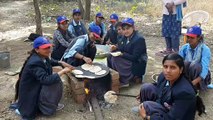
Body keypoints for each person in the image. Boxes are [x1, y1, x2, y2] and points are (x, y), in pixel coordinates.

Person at [12, 37, 74, 119]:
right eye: (45, 48)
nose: (48, 50)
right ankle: (47, 107)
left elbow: (50, 62)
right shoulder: (35, 62)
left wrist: (61, 63)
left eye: (49, 47)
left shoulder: (42, 56)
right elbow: (46, 80)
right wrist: (62, 71)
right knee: (55, 81)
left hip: (36, 86)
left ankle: (48, 103)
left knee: (56, 79)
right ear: (37, 49)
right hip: (31, 92)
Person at [134, 53, 205, 120]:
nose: (168, 71)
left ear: (181, 70)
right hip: (166, 104)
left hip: (175, 117)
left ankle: (147, 111)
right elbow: (158, 85)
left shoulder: (184, 92)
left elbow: (172, 118)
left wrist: (146, 117)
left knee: (148, 105)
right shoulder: (163, 76)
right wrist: (142, 93)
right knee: (146, 88)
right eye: (165, 67)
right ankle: (144, 108)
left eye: (173, 67)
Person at [107, 18, 147, 87]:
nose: (125, 31)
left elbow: (135, 57)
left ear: (133, 28)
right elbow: (121, 47)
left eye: (128, 28)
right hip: (128, 58)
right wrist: (115, 47)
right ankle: (115, 77)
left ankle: (124, 80)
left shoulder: (139, 39)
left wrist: (122, 54)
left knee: (116, 59)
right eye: (124, 29)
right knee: (109, 56)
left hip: (137, 62)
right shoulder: (125, 37)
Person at [179, 25, 212, 90]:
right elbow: (178, 63)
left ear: (199, 38)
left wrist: (193, 82)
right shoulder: (184, 48)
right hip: (189, 74)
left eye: (192, 37)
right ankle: (185, 82)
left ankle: (197, 87)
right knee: (184, 63)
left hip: (201, 77)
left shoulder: (205, 49)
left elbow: (205, 69)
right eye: (188, 37)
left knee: (195, 65)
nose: (189, 39)